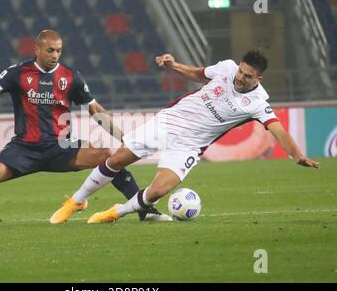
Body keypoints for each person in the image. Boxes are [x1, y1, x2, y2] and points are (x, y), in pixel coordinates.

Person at [0, 29, 171, 228]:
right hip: (24, 149)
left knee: (108, 156)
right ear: (37, 49)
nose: (55, 55)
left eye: (59, 51)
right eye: (50, 50)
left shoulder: (71, 76)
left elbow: (97, 111)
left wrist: (125, 138)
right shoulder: (18, 73)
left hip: (61, 147)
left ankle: (143, 209)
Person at [54, 50, 320, 224]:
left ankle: (116, 212)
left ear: (258, 78)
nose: (240, 78)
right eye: (240, 71)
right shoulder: (226, 68)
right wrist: (173, 65)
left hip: (190, 144)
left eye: (247, 76)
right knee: (117, 160)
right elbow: (198, 73)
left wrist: (297, 155)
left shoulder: (258, 103)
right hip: (168, 122)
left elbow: (278, 129)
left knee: (160, 189)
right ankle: (76, 201)